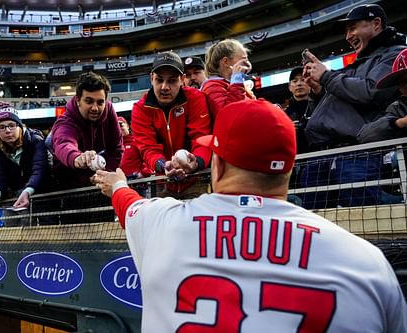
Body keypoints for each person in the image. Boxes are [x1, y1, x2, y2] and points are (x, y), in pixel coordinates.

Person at [93, 99, 407, 332]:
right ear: (288, 168)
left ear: (218, 165)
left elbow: (126, 200)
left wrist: (117, 183)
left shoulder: (162, 221)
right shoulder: (367, 263)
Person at [300, 4, 406, 208]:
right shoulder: (357, 63)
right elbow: (330, 108)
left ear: (376, 24)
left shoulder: (395, 53)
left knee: (365, 219)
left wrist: (326, 75)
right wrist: (317, 90)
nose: (348, 36)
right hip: (321, 153)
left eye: (352, 28)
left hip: (356, 152)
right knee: (313, 222)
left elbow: (370, 92)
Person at [131, 51, 211, 183]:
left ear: (182, 79)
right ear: (151, 78)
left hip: (197, 178)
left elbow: (201, 138)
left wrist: (196, 162)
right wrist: (164, 165)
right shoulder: (140, 109)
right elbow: (148, 149)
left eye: (172, 80)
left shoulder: (195, 98)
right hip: (163, 181)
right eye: (159, 79)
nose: (165, 87)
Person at [50, 72, 123, 188]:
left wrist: (106, 174)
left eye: (100, 102)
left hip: (100, 184)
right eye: (89, 101)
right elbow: (64, 144)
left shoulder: (109, 111)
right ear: (78, 100)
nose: (95, 108)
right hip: (67, 184)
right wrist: (77, 157)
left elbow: (116, 149)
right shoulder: (66, 121)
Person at [0, 102, 51, 211]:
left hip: (42, 195)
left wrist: (27, 191)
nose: (8, 131)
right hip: (15, 198)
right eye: (2, 127)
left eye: (12, 125)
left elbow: (39, 170)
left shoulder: (36, 140)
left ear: (20, 126)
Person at [357, 48, 407, 142]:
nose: (404, 87)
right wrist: (399, 122)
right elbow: (363, 135)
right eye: (400, 83)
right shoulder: (398, 107)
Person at [201, 39, 255, 119]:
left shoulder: (233, 84)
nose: (247, 63)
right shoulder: (211, 86)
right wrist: (237, 81)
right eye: (243, 59)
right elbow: (227, 115)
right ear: (226, 62)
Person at [285, 66, 312, 154]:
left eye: (303, 79)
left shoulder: (320, 106)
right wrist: (288, 129)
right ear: (289, 87)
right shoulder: (283, 114)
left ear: (310, 83)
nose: (299, 84)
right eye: (295, 81)